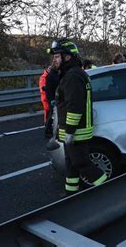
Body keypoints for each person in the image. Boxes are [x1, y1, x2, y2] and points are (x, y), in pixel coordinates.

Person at [48, 39, 107, 194]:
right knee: (71, 165)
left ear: (67, 57)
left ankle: (110, 190)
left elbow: (74, 107)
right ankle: (71, 195)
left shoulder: (73, 76)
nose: (54, 59)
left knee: (81, 163)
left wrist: (69, 131)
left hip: (76, 132)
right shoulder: (72, 74)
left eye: (57, 56)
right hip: (75, 131)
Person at [39, 60, 59, 138]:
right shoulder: (44, 77)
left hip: (48, 97)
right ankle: (47, 129)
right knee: (49, 114)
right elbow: (43, 88)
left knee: (50, 114)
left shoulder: (49, 75)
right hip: (47, 98)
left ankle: (49, 129)